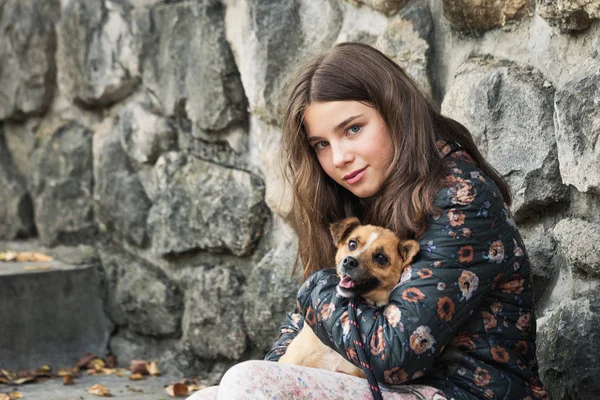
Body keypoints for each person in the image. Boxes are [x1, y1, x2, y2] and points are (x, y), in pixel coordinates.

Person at [188, 42, 548, 400]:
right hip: (388, 389)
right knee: (214, 395)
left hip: (459, 393)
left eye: (353, 129)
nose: (339, 157)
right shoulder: (365, 195)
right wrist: (275, 370)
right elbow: (302, 329)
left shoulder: (460, 198)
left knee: (247, 382)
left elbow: (394, 354)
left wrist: (316, 286)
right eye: (321, 145)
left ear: (396, 112)